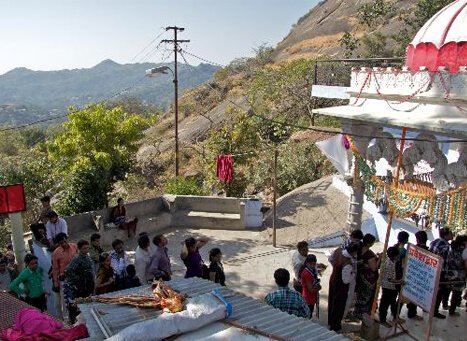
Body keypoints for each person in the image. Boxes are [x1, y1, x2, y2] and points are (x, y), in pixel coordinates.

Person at [328, 242, 359, 332]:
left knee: (332, 302)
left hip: (333, 279)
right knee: (339, 306)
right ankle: (335, 326)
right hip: (340, 286)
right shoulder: (348, 263)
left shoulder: (338, 250)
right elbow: (346, 280)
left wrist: (336, 266)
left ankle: (331, 322)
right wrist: (353, 273)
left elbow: (330, 259)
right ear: (354, 252)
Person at [63, 239, 94, 324]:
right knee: (78, 306)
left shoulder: (87, 257)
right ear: (79, 249)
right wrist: (78, 279)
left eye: (87, 248)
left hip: (87, 284)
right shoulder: (77, 259)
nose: (86, 250)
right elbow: (68, 270)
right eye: (84, 248)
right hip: (79, 286)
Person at [51, 233, 78, 320]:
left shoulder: (74, 246)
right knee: (65, 301)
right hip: (64, 279)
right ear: (59, 244)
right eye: (61, 243)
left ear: (67, 239)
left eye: (64, 241)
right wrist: (55, 282)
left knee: (76, 298)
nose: (64, 244)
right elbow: (55, 268)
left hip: (75, 277)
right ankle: (67, 319)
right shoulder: (56, 253)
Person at [429, 227, 454, 319]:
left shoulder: (434, 242)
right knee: (439, 292)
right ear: (446, 235)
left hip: (432, 269)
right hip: (441, 272)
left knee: (432, 290)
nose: (452, 234)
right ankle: (435, 311)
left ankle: (428, 307)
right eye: (451, 233)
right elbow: (447, 262)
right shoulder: (446, 247)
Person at [354, 234, 380, 319]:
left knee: (360, 295)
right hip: (369, 279)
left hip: (360, 276)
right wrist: (380, 258)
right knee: (367, 298)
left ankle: (358, 312)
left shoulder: (359, 249)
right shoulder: (369, 254)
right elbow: (374, 268)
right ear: (369, 243)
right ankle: (364, 315)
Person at [379, 247, 403, 328]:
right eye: (397, 255)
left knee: (392, 301)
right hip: (387, 287)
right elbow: (390, 279)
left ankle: (394, 317)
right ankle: (382, 320)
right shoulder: (388, 264)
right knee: (384, 304)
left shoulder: (391, 261)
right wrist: (400, 281)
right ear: (394, 256)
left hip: (390, 286)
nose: (398, 257)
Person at [407, 230, 428, 320]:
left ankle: (412, 308)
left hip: (412, 274)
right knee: (416, 294)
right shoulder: (427, 251)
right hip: (420, 276)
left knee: (412, 293)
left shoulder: (413, 249)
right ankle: (412, 313)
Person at [445, 234, 467, 315]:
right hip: (459, 273)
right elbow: (464, 263)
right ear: (464, 241)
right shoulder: (463, 249)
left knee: (448, 289)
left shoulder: (451, 246)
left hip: (450, 272)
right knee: (456, 292)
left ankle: (445, 304)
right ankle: (452, 310)